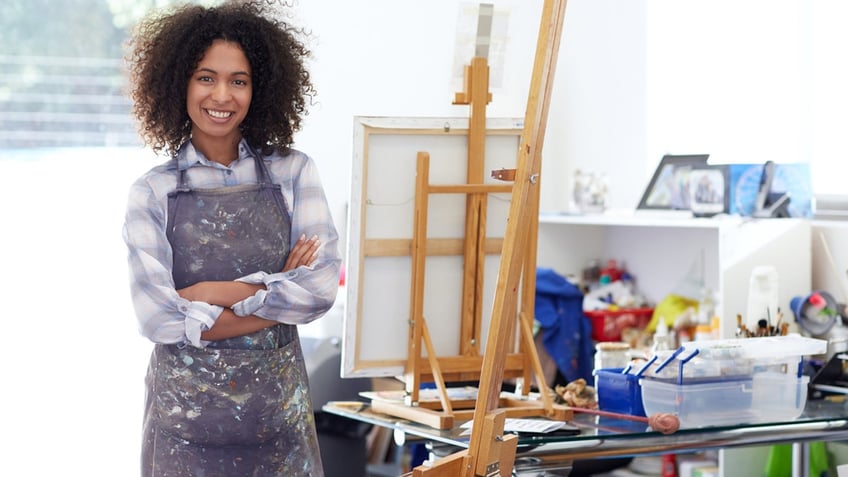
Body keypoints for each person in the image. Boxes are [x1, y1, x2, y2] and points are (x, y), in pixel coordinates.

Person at [122, 1, 341, 475]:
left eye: (238, 80)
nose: (222, 95)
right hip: (183, 434)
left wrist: (206, 296)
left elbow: (320, 290)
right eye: (206, 77)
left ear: (258, 88)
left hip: (279, 429)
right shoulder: (152, 192)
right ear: (178, 81)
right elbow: (158, 319)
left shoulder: (294, 172)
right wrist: (277, 285)